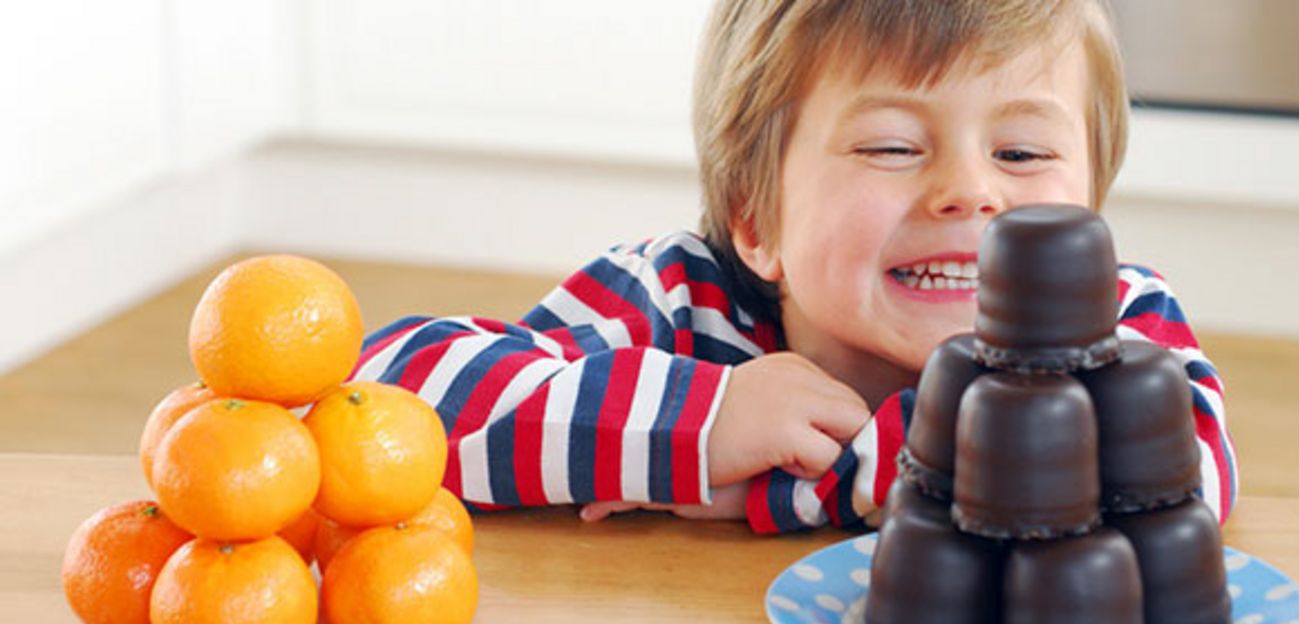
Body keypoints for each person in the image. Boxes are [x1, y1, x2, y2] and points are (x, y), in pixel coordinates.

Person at [353, 0, 1237, 533]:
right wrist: (699, 424)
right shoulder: (673, 297)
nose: (969, 193)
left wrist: (794, 487)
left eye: (1020, 153)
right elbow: (387, 401)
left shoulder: (1117, 319)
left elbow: (1173, 477)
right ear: (754, 216)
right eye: (892, 146)